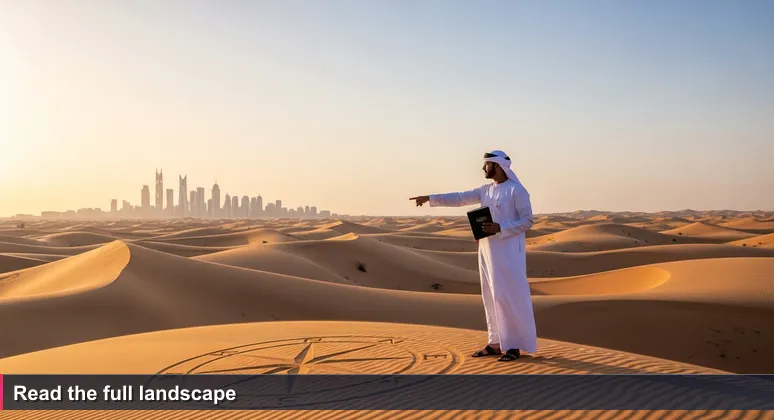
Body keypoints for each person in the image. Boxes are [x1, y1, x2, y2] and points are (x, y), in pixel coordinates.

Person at [409, 150, 536, 361]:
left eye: (486, 165)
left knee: (508, 297)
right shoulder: (485, 190)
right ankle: (495, 343)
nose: (483, 168)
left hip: (509, 253)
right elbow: (459, 198)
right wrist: (430, 198)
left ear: (497, 167)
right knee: (490, 296)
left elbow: (527, 221)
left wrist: (500, 227)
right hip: (487, 250)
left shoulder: (517, 191)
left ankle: (513, 346)